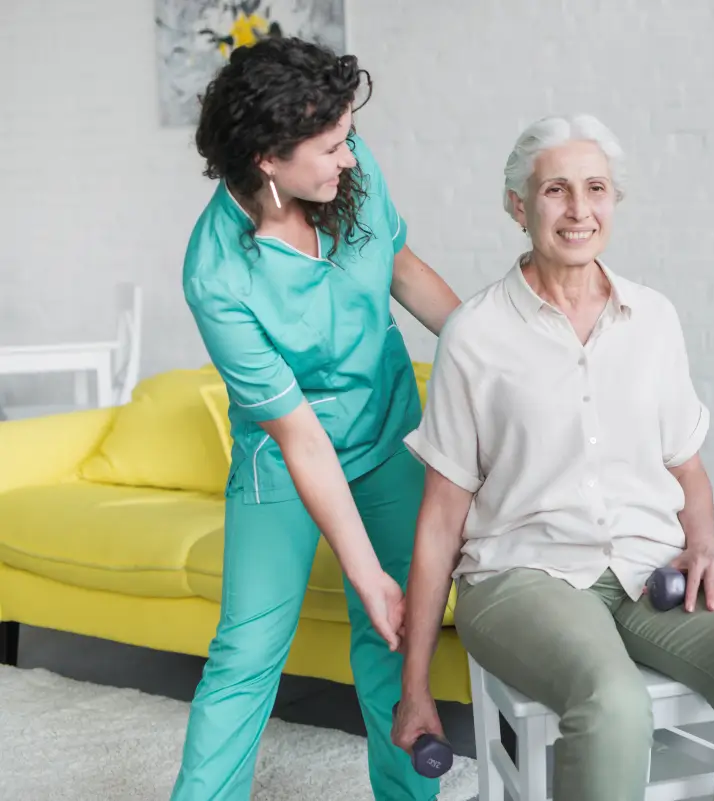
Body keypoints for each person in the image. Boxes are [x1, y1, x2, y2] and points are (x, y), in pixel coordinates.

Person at [391, 113, 714, 800]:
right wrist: (414, 687)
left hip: (651, 564)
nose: (579, 209)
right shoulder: (474, 334)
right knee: (613, 703)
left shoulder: (655, 320)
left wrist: (704, 544)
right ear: (518, 206)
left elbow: (689, 469)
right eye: (556, 189)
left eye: (596, 187)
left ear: (614, 201)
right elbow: (442, 517)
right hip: (520, 575)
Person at [170, 37, 460, 801]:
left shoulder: (346, 171)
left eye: (349, 136)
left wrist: (489, 351)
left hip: (389, 433)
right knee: (247, 652)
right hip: (286, 464)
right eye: (331, 146)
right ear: (268, 156)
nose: (351, 158)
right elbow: (298, 433)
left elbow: (399, 265)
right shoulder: (217, 274)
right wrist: (364, 572)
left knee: (397, 641)